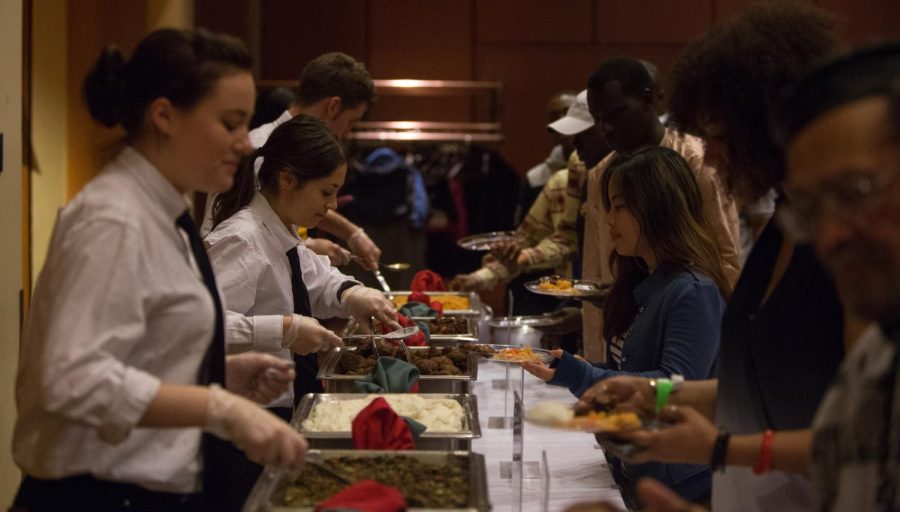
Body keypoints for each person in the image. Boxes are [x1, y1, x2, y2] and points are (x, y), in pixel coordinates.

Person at [583, 40, 900, 512]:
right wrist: (660, 393)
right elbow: (844, 437)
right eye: (813, 204)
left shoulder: (851, 276)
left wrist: (717, 447)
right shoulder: (789, 232)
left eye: (854, 191)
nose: (708, 157)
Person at [11, 28, 308, 512]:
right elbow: (69, 378)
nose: (244, 144)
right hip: (96, 497)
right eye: (230, 123)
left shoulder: (162, 211)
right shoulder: (113, 219)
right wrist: (219, 408)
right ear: (165, 115)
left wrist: (212, 374)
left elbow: (133, 353)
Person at [204, 115, 400, 507]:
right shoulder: (242, 239)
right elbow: (205, 329)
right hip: (245, 416)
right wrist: (285, 329)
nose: (331, 207)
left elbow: (316, 278)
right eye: (326, 192)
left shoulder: (281, 227)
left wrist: (352, 293)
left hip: (280, 404)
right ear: (288, 179)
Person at [523, 146, 729, 503]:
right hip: (639, 467)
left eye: (619, 207)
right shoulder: (649, 281)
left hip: (679, 487)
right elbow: (634, 369)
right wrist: (577, 370)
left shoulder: (693, 291)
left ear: (657, 207)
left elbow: (677, 389)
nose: (609, 220)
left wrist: (585, 378)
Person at [580, 57, 741, 362]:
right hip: (622, 333)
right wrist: (593, 363)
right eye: (597, 119)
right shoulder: (602, 173)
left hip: (685, 326)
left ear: (648, 99)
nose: (606, 129)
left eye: (615, 114)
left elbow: (726, 262)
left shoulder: (699, 161)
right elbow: (596, 267)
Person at [200, 52, 382, 270]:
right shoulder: (264, 149)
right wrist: (309, 246)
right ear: (333, 106)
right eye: (350, 122)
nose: (346, 134)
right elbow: (248, 235)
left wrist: (352, 234)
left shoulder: (283, 147)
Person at [450, 90, 609, 314]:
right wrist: (481, 277)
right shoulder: (557, 179)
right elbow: (546, 239)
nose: (573, 142)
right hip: (563, 298)